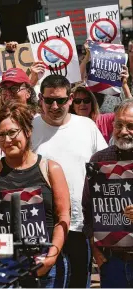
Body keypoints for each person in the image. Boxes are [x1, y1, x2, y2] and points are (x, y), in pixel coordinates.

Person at [0, 101, 71, 287]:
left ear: (27, 131)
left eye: (12, 132)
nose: (7, 140)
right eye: (1, 135)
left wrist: (51, 257)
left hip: (45, 268)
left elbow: (63, 216)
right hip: (4, 267)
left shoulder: (51, 169)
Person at [31, 75, 108, 288]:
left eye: (61, 101)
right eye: (48, 101)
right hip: (41, 225)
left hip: (79, 224)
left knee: (77, 281)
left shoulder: (87, 126)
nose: (55, 106)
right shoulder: (29, 127)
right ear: (40, 99)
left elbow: (103, 168)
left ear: (71, 98)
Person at [82, 99, 133, 288]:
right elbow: (87, 207)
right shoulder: (100, 160)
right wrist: (95, 249)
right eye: (119, 124)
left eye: (130, 126)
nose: (123, 131)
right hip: (112, 263)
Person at [0, 68, 38, 158]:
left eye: (14, 88)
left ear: (28, 93)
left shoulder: (39, 121)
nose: (9, 93)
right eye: (4, 89)